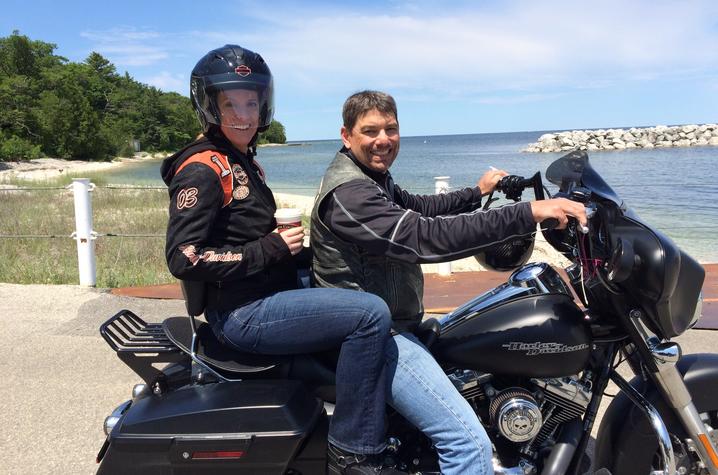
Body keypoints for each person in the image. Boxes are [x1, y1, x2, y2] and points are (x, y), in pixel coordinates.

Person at [311, 90, 588, 475]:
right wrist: (527, 213)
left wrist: (477, 193)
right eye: (370, 130)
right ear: (347, 135)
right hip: (379, 336)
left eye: (390, 129)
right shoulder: (349, 193)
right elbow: (424, 237)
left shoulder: (371, 179)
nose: (383, 139)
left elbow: (419, 208)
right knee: (469, 444)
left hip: (397, 322)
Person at [161, 47, 401, 475]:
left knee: (348, 285)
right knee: (369, 313)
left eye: (250, 102)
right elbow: (183, 257)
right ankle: (354, 448)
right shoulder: (203, 169)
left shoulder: (243, 162)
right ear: (209, 106)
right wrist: (269, 249)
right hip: (243, 312)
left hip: (267, 292)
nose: (242, 114)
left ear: (263, 103)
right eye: (229, 103)